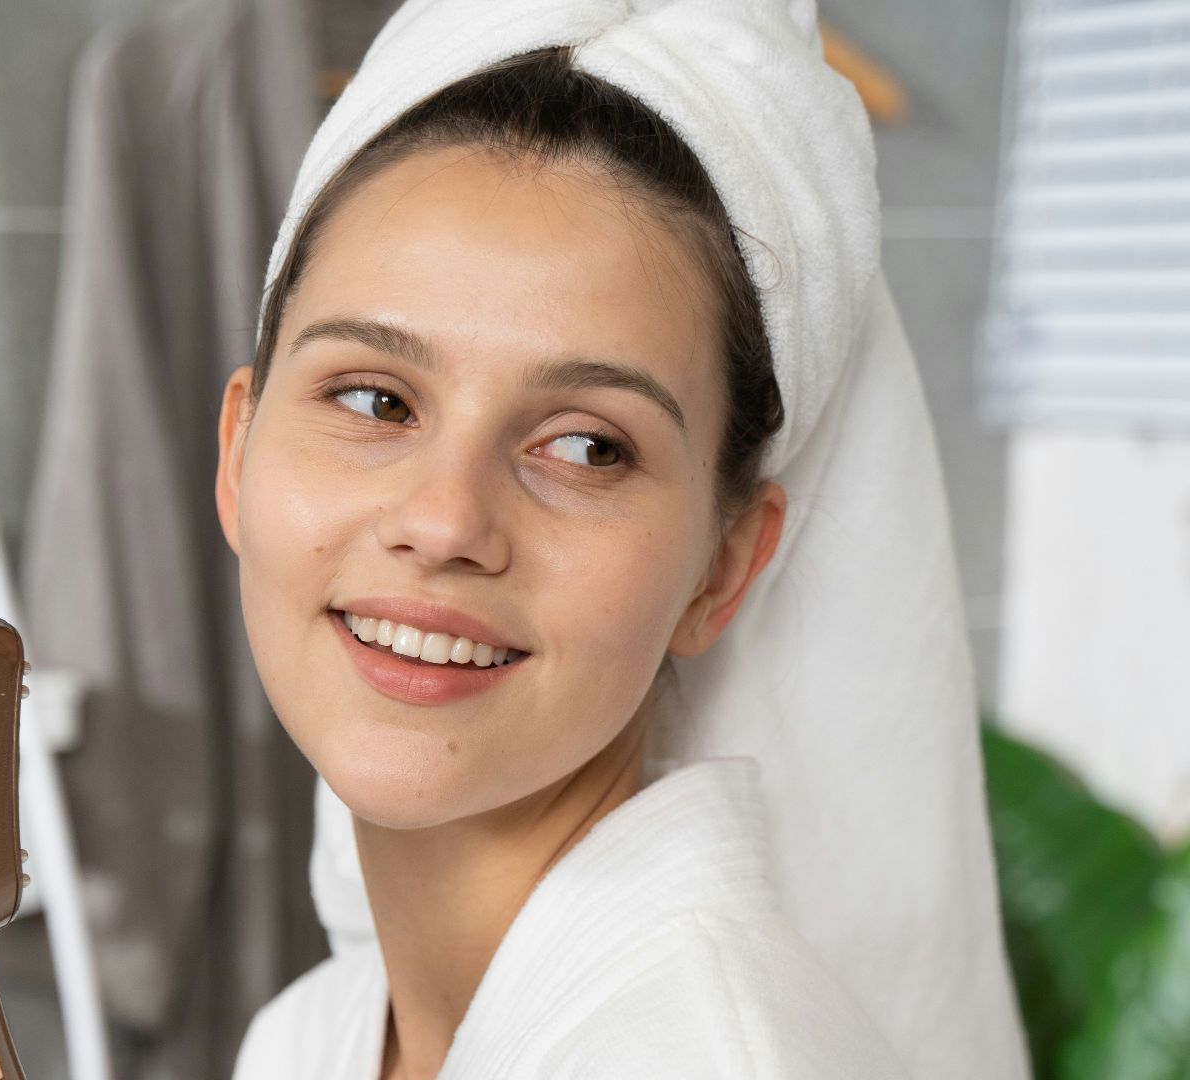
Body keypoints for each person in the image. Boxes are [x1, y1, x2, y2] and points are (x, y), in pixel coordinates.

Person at [211, 1, 1030, 1077]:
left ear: (724, 566)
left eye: (588, 448)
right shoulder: (310, 1040)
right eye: (374, 400)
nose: (446, 522)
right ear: (237, 452)